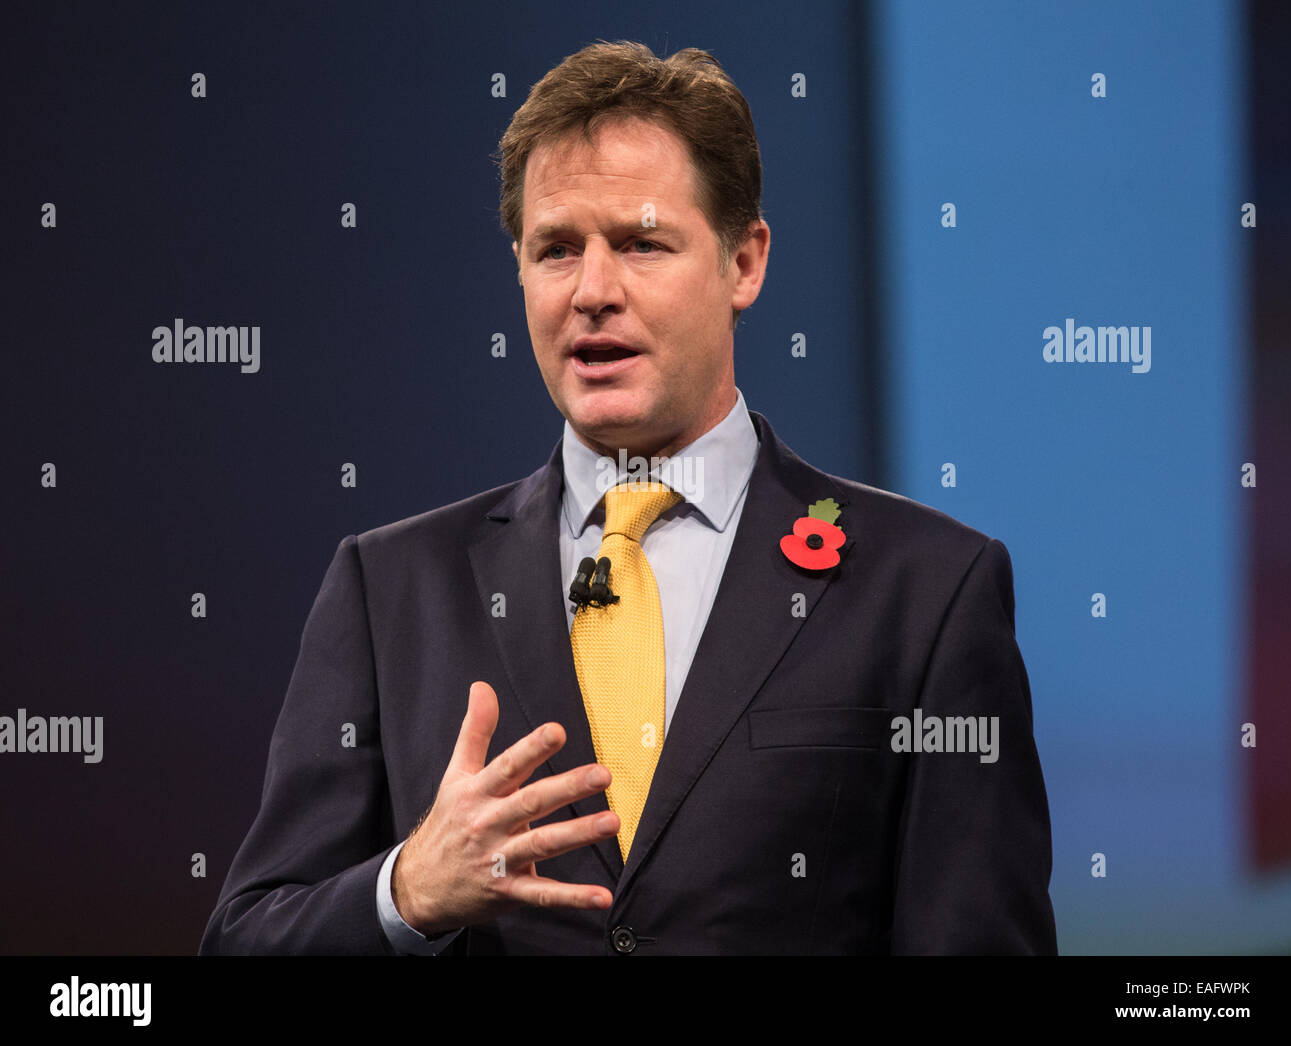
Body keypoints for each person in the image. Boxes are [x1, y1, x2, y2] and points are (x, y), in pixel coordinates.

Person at [200, 40, 1056, 955]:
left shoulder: (925, 590)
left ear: (744, 264)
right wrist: (407, 890)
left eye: (643, 243)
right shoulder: (390, 589)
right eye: (556, 249)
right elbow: (248, 939)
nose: (593, 292)